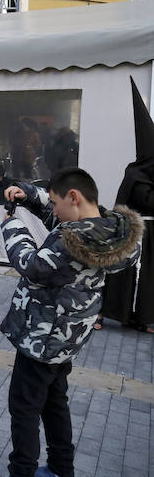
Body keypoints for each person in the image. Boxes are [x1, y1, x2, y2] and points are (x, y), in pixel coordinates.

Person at [0, 168, 142, 477]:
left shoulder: (72, 238)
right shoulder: (104, 232)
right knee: (54, 403)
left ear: (73, 197)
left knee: (24, 409)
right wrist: (30, 196)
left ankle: (21, 471)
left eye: (54, 201)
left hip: (42, 339)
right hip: (67, 338)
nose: (52, 209)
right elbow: (61, 226)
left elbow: (32, 265)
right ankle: (62, 469)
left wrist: (12, 225)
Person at [101, 77, 154, 333]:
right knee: (121, 275)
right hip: (133, 231)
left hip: (150, 236)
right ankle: (107, 313)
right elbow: (144, 202)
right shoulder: (136, 175)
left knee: (146, 279)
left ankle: (140, 316)